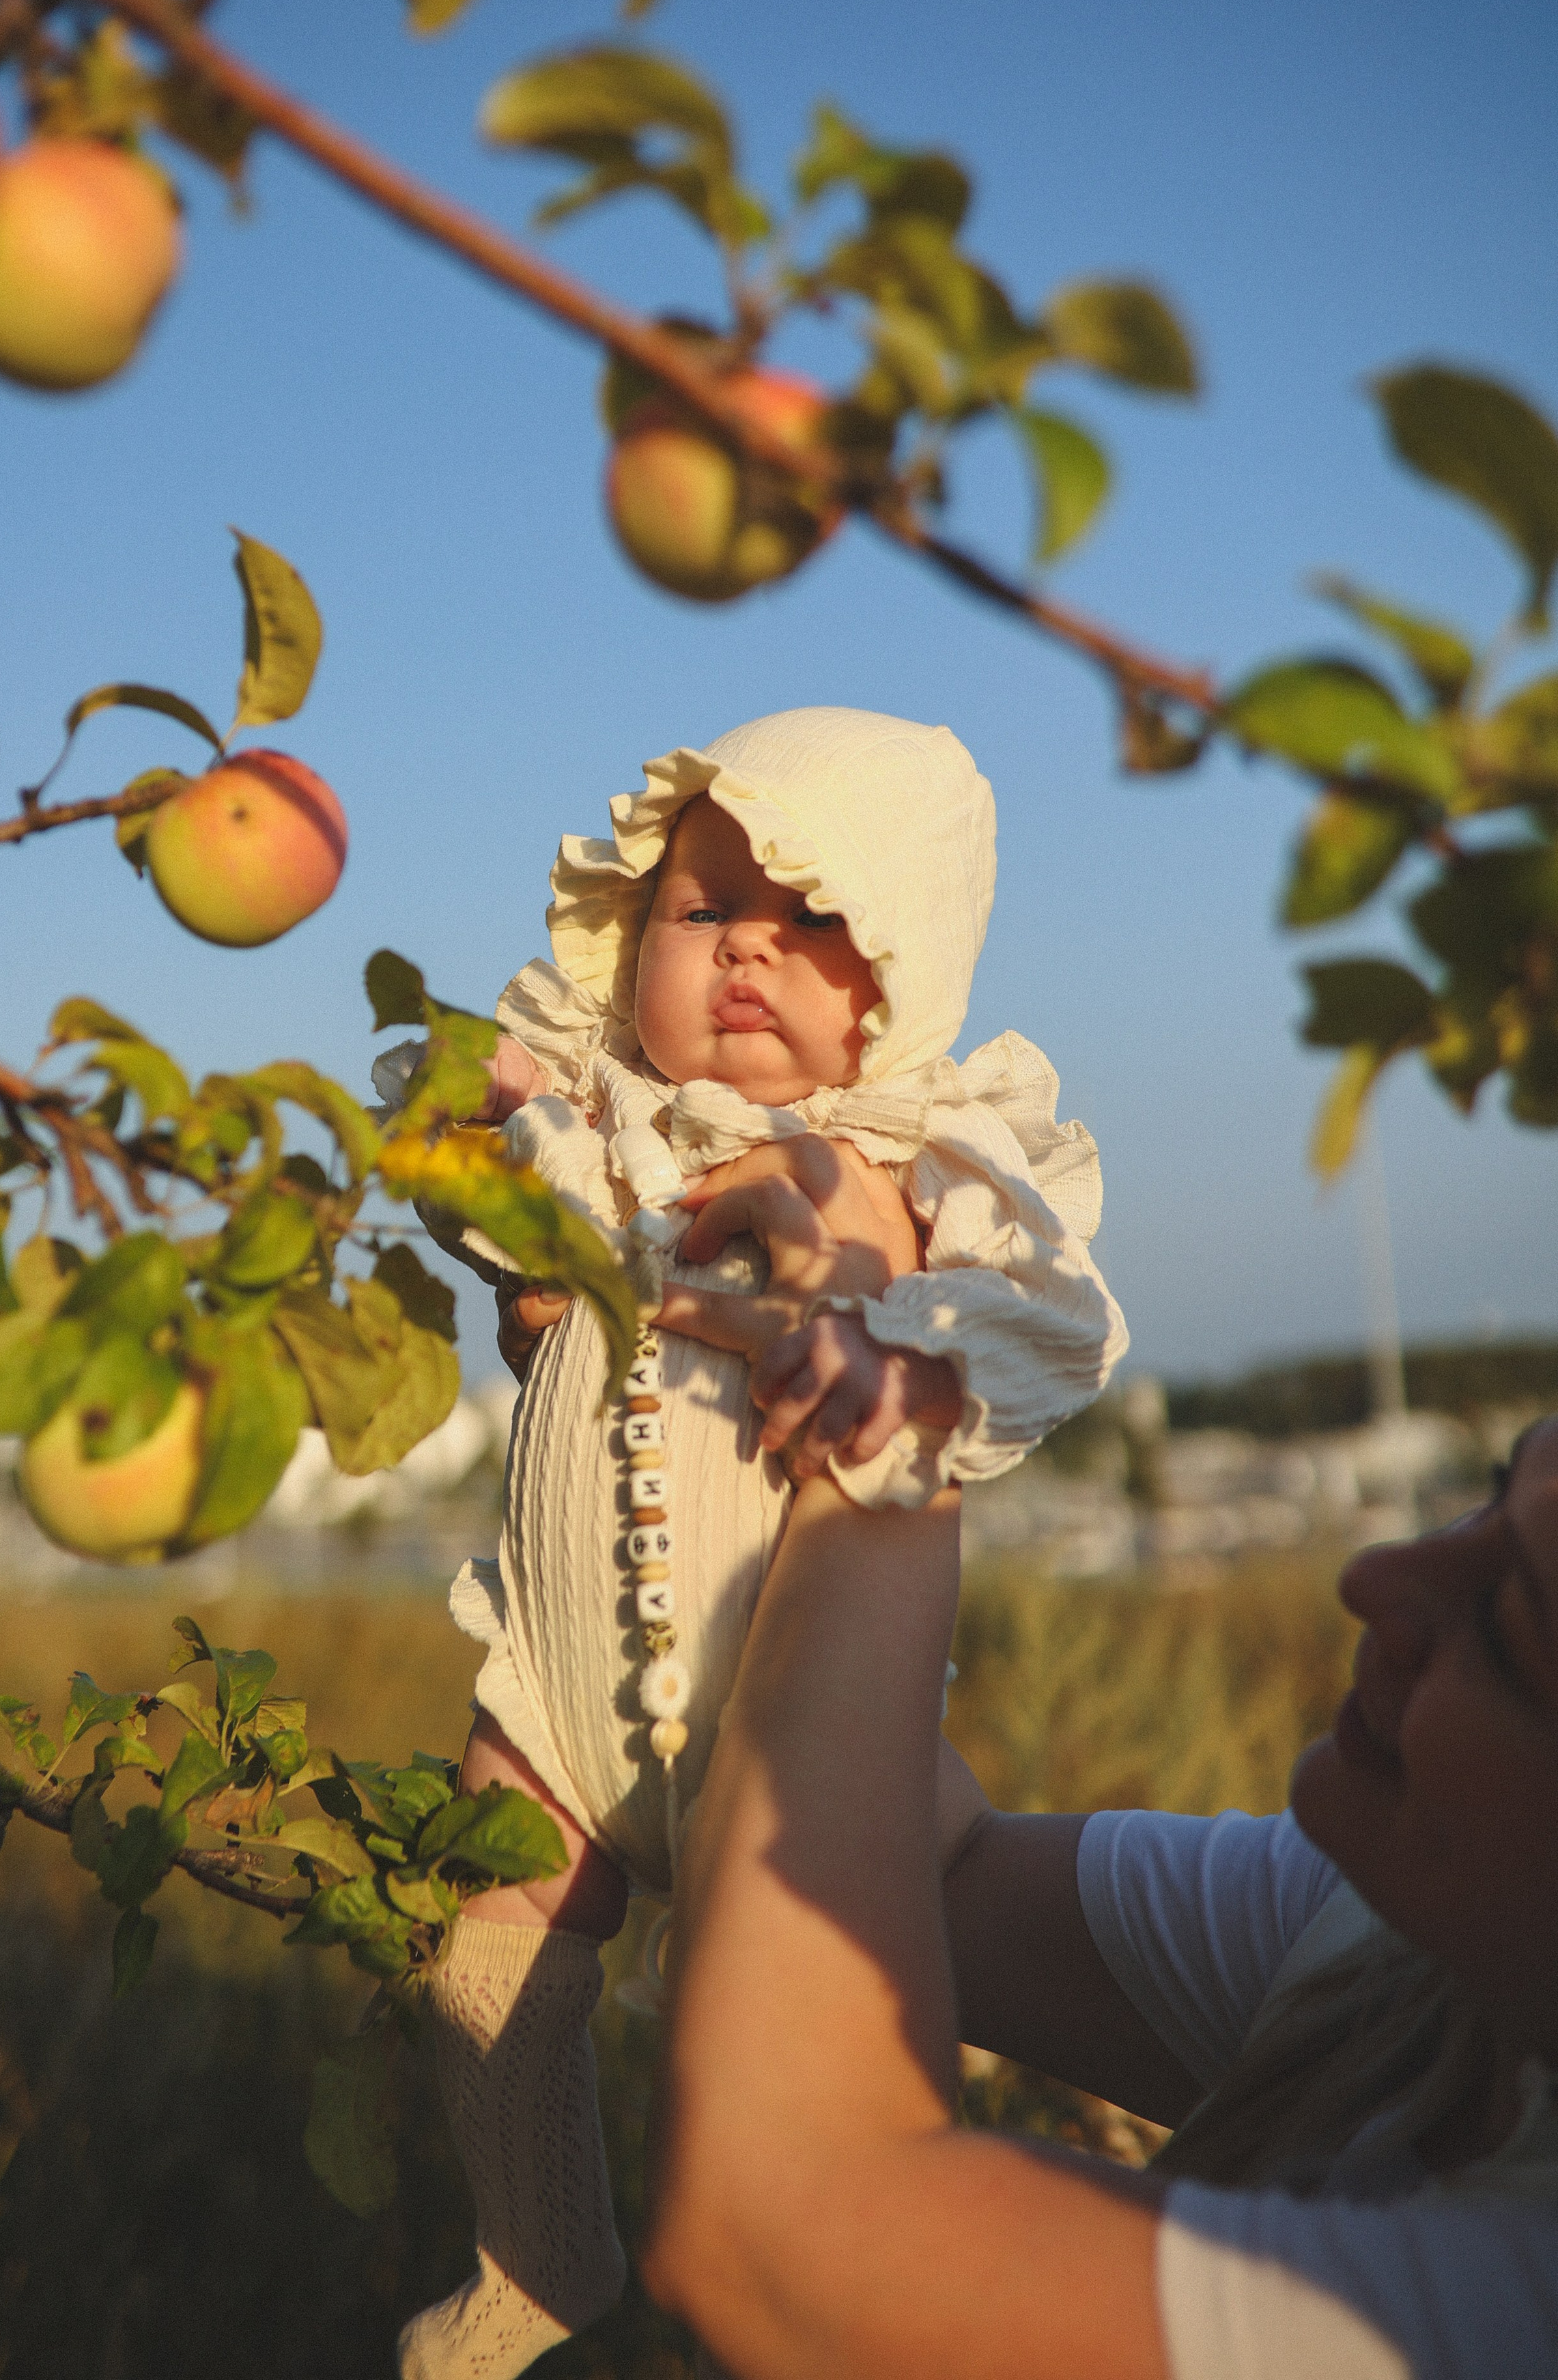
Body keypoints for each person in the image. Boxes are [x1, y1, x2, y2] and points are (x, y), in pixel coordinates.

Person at [375, 705, 1129, 2380]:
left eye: (810, 925)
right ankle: (538, 2252)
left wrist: (889, 1329)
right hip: (559, 1696)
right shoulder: (597, 1122)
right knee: (478, 1929)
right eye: (702, 912)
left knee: (836, 1996)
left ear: (900, 981)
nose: (743, 956)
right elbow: (449, 1183)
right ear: (626, 937)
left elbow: (1050, 1330)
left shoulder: (912, 1159)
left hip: (794, 1725)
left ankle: (876, 2274)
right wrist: (469, 1109)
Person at [643, 1164, 1558, 2379]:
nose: (1378, 1580)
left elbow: (785, 2237)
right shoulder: (1384, 1952)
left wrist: (898, 1423)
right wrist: (678, 1425)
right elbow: (940, 1863)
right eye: (1496, 1492)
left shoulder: (1517, 2306)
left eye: (1504, 1627)